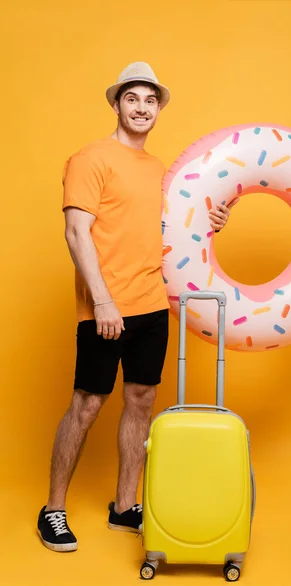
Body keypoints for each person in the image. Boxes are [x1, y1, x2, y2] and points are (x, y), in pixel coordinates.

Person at [37, 62, 230, 552]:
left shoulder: (160, 170)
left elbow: (170, 232)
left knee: (142, 402)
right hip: (105, 305)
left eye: (150, 100)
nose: (141, 108)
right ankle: (52, 510)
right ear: (116, 104)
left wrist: (212, 220)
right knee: (87, 404)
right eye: (132, 99)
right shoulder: (90, 158)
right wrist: (102, 300)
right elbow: (76, 232)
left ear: (158, 109)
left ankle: (125, 506)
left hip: (151, 304)